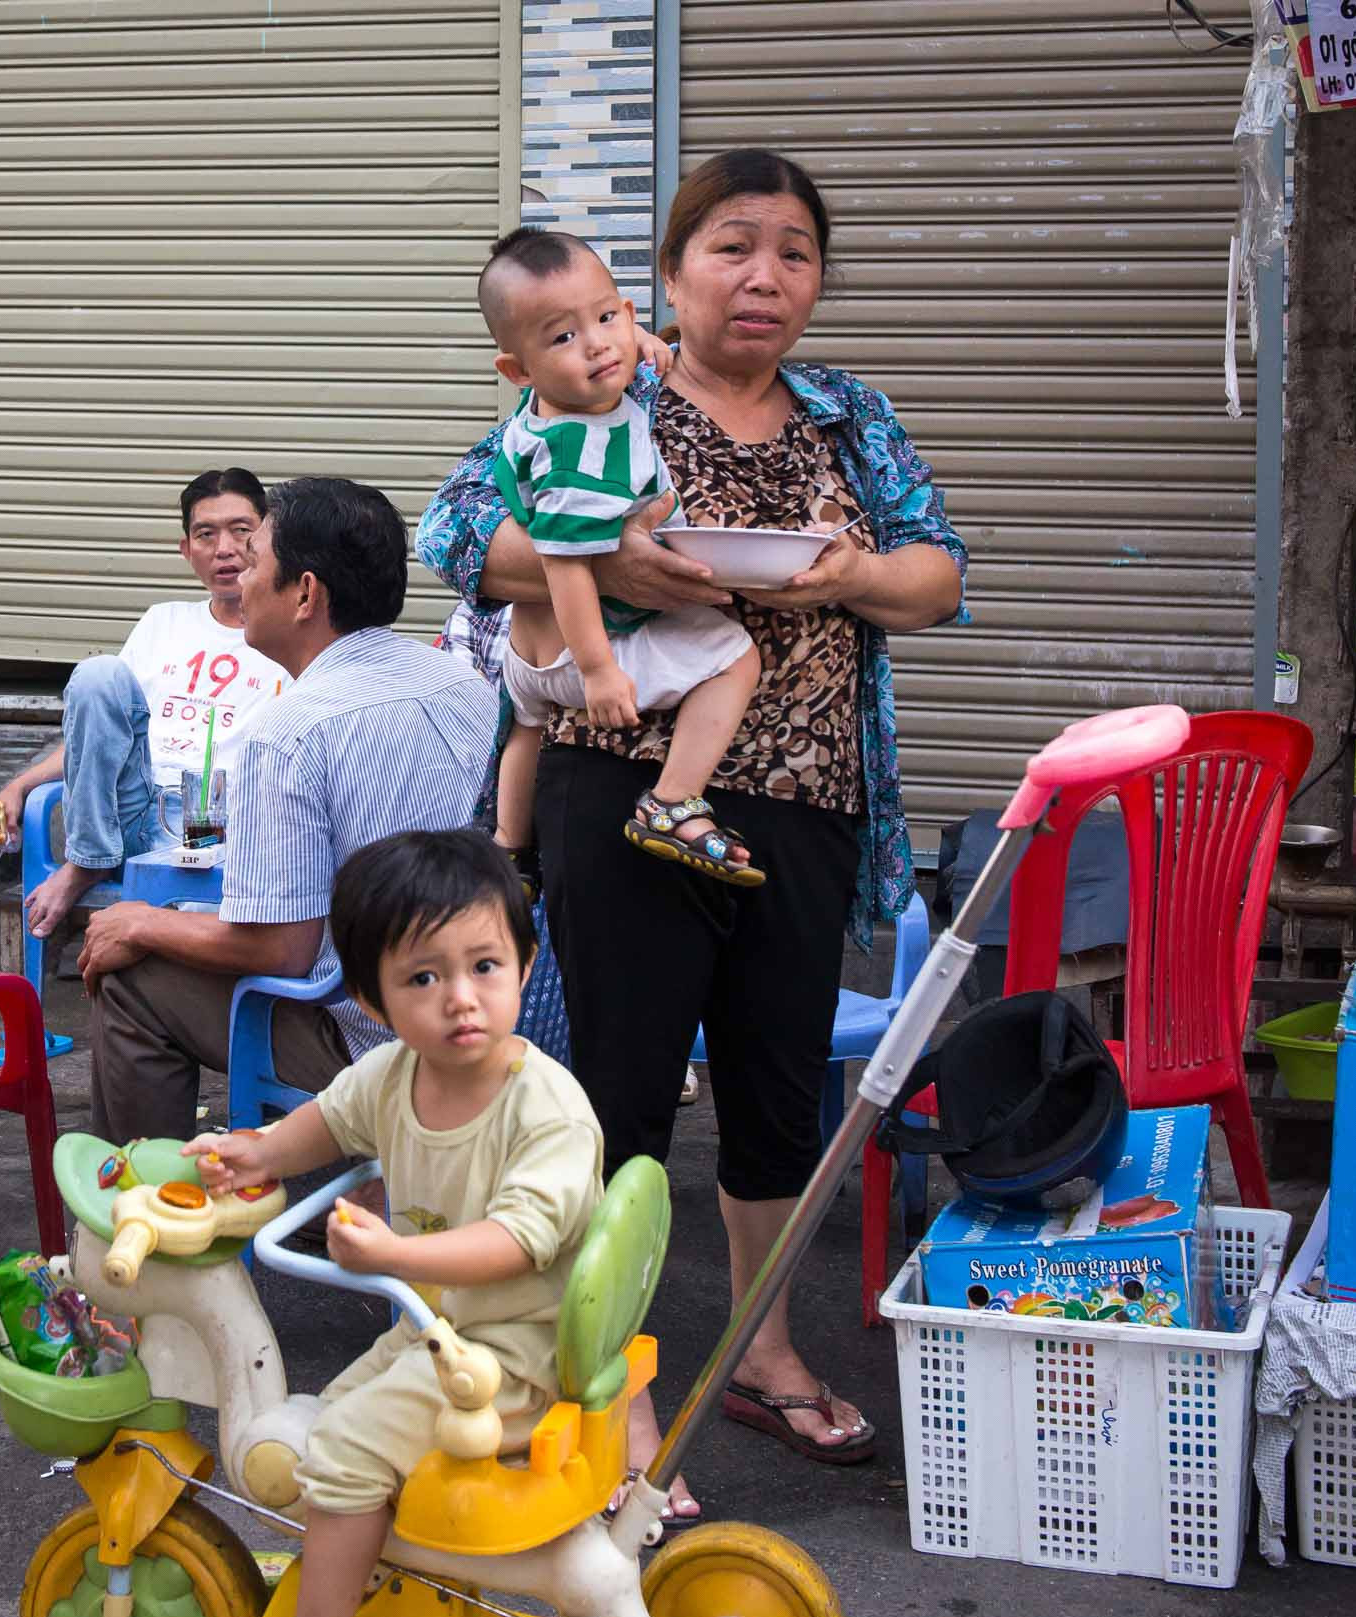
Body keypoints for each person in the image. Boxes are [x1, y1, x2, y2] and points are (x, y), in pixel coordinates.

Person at [419, 150, 968, 1465]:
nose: (763, 274)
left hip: (810, 797)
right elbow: (451, 535)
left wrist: (855, 573)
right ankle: (611, 1380)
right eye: (732, 244)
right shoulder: (610, 378)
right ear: (670, 271)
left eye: (792, 249)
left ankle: (763, 1348)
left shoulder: (851, 418)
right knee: (620, 1091)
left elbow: (941, 575)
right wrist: (605, 556)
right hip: (623, 787)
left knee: (780, 1091)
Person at [192, 829, 602, 1617]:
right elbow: (324, 1125)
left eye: (484, 966)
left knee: (339, 1457)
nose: (460, 999)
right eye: (422, 978)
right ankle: (391, 1586)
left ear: (524, 967)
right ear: (373, 999)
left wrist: (391, 1258)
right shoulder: (392, 1075)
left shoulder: (548, 1108)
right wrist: (247, 1152)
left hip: (517, 1353)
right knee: (337, 1420)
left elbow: (518, 1240)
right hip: (441, 1333)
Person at [78, 476, 498, 1144]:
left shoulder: (288, 731)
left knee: (133, 974)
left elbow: (282, 948)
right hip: (479, 1013)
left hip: (372, 1046)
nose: (239, 580)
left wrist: (143, 924)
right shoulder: (460, 683)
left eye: (254, 564)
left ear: (304, 593)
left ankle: (145, 1217)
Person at [479, 228, 765, 886]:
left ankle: (507, 846)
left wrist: (629, 343)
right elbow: (567, 568)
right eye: (563, 337)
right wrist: (600, 671)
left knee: (526, 729)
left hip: (525, 659)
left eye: (607, 317)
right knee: (733, 658)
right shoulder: (584, 454)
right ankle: (670, 803)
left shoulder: (546, 409)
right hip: (588, 648)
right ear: (518, 370)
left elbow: (590, 346)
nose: (598, 344)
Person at [0, 468, 290, 941]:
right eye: (206, 534)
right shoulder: (164, 622)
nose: (224, 548)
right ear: (186, 550)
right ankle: (89, 862)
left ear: (266, 540)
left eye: (241, 531)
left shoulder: (289, 632)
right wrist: (19, 785)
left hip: (211, 818)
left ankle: (144, 900)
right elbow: (99, 733)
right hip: (125, 808)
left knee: (181, 934)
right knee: (98, 674)